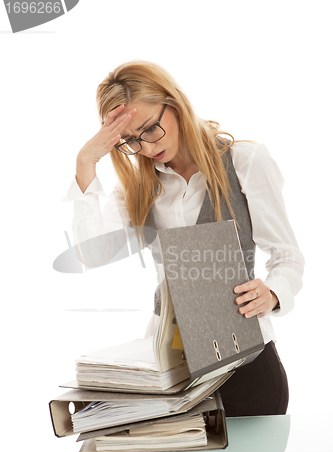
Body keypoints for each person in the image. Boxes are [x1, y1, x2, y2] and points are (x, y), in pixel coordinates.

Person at [63, 60, 305, 417]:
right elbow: (90, 255)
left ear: (174, 105)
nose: (145, 147)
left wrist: (272, 293)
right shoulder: (137, 187)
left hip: (246, 364)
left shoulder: (245, 161)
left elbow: (288, 256)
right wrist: (86, 163)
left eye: (150, 129)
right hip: (172, 368)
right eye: (129, 141)